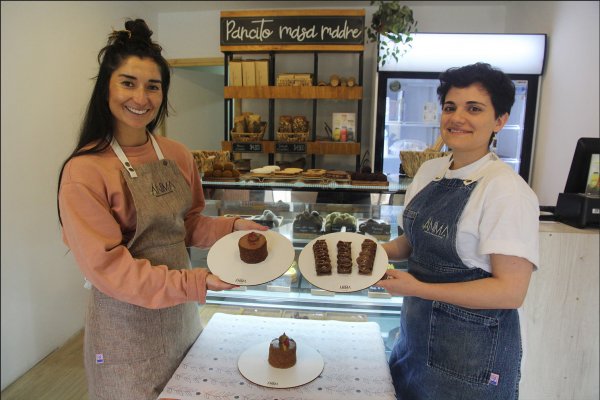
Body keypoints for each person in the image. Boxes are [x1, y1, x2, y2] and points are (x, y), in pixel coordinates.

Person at [57, 19, 267, 399]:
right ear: (106, 87)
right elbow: (109, 269)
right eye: (128, 82)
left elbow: (186, 225)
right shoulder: (85, 171)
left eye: (153, 86)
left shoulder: (176, 154)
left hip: (181, 319)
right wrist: (196, 281)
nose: (141, 97)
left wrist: (233, 228)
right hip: (124, 335)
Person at [375, 62, 539, 400]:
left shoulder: (506, 190)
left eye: (474, 109)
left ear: (500, 120)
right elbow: (414, 241)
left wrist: (418, 288)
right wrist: (378, 251)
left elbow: (510, 292)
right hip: (414, 341)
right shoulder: (431, 170)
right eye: (450, 107)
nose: (457, 117)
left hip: (471, 360)